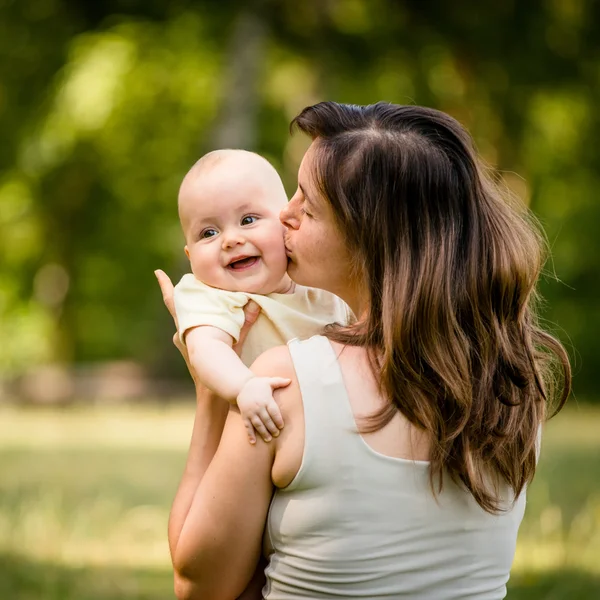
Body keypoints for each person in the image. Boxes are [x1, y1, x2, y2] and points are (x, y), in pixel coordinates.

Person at [156, 101, 571, 600]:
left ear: (365, 238)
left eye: (306, 207)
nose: (282, 216)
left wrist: (209, 396)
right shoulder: (514, 384)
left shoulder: (287, 383)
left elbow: (198, 586)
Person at [174, 149, 350, 443]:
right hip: (260, 429)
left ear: (286, 223)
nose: (231, 240)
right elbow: (205, 350)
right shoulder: (210, 295)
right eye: (208, 233)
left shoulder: (320, 283)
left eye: (248, 220)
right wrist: (243, 387)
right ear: (190, 256)